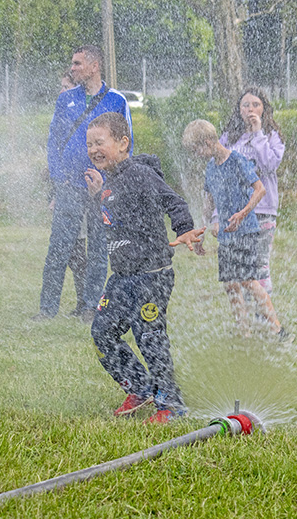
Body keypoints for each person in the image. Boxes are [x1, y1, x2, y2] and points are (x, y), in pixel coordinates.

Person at [83, 112, 204, 424]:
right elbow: (114, 223)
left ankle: (172, 404)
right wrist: (98, 198)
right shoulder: (110, 183)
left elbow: (173, 201)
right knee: (102, 332)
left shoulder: (140, 174)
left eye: (100, 142)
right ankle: (140, 387)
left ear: (123, 143)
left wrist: (184, 229)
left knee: (149, 337)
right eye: (89, 144)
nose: (94, 149)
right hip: (122, 275)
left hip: (151, 274)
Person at [37, 45, 133, 323]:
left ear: (94, 67)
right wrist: (58, 177)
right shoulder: (65, 99)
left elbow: (127, 145)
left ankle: (92, 306)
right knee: (58, 248)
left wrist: (109, 180)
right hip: (69, 187)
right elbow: (54, 142)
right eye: (72, 64)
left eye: (78, 64)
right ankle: (47, 308)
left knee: (99, 250)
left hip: (101, 190)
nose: (73, 68)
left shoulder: (116, 101)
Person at [182, 119, 291, 341]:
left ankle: (278, 330)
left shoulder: (238, 160)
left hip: (247, 231)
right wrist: (201, 232)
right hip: (226, 237)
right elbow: (208, 202)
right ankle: (244, 332)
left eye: (197, 149)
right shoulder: (211, 168)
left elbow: (259, 190)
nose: (196, 155)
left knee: (248, 281)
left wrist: (243, 213)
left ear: (209, 141)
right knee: (230, 284)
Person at [218, 87, 285, 292]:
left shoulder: (272, 136)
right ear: (239, 109)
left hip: (263, 210)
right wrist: (215, 214)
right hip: (236, 212)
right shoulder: (229, 139)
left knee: (260, 265)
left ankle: (264, 315)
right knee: (240, 267)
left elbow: (268, 166)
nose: (250, 109)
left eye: (256, 104)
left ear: (264, 108)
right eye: (245, 105)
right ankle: (248, 312)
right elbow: (219, 175)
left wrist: (258, 134)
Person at [45, 70, 88, 316]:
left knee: (78, 249)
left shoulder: (81, 116)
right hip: (64, 192)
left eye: (65, 87)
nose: (62, 92)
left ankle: (85, 302)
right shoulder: (62, 118)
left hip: (80, 193)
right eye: (60, 87)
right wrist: (55, 195)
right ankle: (80, 301)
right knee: (72, 251)